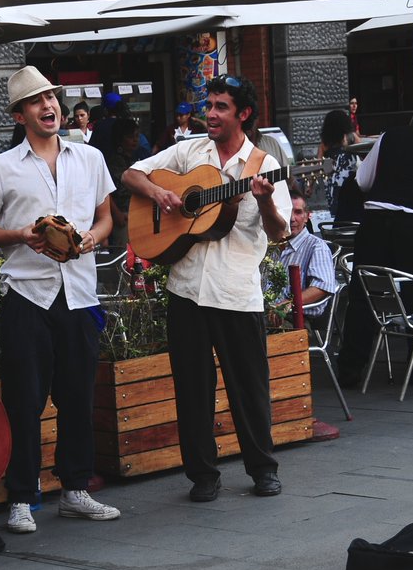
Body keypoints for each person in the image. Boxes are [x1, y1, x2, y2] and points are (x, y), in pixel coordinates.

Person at [123, 74, 291, 501]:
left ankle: (263, 469)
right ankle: (202, 475)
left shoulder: (263, 166)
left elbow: (278, 233)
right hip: (186, 288)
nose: (210, 114)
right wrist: (160, 193)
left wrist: (266, 199)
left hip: (236, 291)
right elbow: (130, 174)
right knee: (193, 389)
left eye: (220, 107)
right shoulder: (189, 151)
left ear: (243, 114)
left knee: (248, 388)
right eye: (209, 105)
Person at [0, 64, 120, 534]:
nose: (49, 106)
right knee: (24, 401)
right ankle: (21, 496)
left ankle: (75, 490)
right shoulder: (1, 167)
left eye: (51, 97)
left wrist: (93, 237)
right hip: (27, 296)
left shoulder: (90, 158)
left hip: (78, 293)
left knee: (77, 397)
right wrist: (20, 235)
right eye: (36, 101)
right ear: (19, 115)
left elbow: (106, 217)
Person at [337, 95, 413, 388]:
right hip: (412, 224)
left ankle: (349, 368)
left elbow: (362, 181)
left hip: (372, 222)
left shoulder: (389, 136)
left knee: (362, 296)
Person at [279, 187, 336, 318]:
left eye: (298, 212)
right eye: (287, 212)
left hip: (297, 319)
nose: (292, 218)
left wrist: (288, 304)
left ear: (307, 216)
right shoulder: (272, 243)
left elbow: (322, 287)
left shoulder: (316, 246)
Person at [106, 116, 141, 252]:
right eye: (130, 136)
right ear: (121, 139)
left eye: (137, 136)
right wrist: (117, 213)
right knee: (124, 254)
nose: (135, 140)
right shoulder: (115, 161)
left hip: (137, 213)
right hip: (123, 215)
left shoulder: (136, 158)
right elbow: (107, 191)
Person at [319, 109, 361, 220]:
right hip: (349, 176)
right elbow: (362, 150)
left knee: (335, 204)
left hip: (331, 177)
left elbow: (318, 164)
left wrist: (310, 185)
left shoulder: (326, 141)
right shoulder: (351, 137)